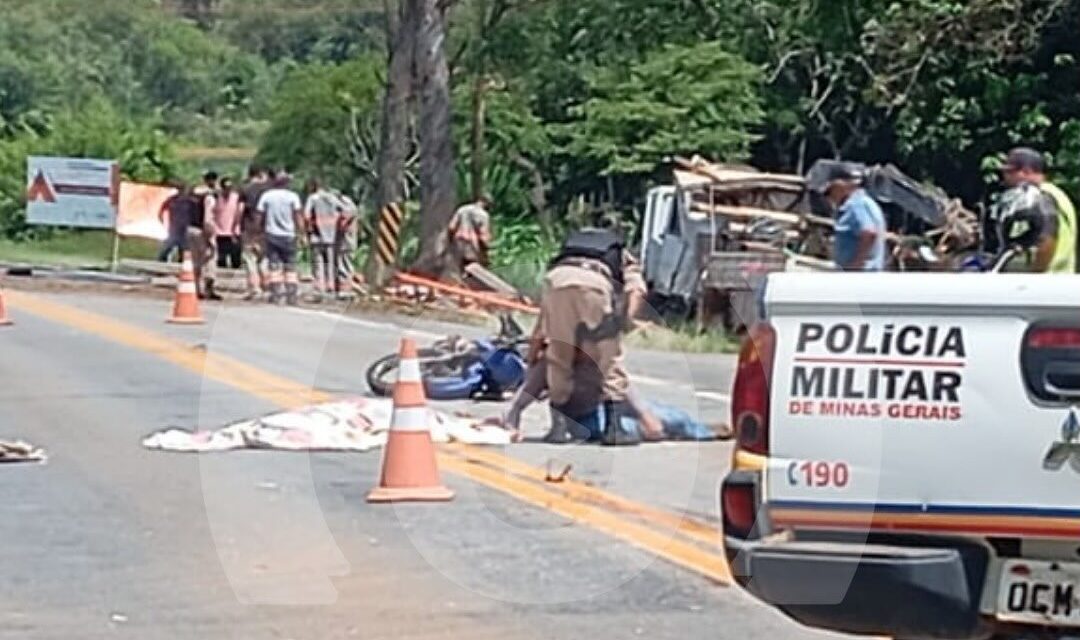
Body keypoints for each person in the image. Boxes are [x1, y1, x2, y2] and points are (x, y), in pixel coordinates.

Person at [537, 228, 649, 444]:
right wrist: (625, 321)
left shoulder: (571, 248)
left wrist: (537, 345)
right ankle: (614, 429)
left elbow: (544, 319)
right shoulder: (623, 256)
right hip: (595, 284)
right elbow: (636, 290)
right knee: (609, 359)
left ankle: (558, 429)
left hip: (556, 281)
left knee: (559, 355)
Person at [1000, 147, 1077, 274]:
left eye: (1009, 172)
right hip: (1063, 278)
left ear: (1026, 171)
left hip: (1045, 282)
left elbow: (1047, 240)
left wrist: (1033, 277)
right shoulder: (1057, 194)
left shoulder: (1039, 196)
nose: (1005, 178)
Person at [823, 163, 887, 272]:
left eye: (830, 191)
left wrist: (855, 267)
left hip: (859, 277)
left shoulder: (855, 205)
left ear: (841, 185)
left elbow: (869, 233)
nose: (830, 197)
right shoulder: (865, 202)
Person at [257, 174, 305, 306]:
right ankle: (292, 295)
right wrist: (302, 233)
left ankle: (276, 294)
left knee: (274, 265)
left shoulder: (267, 196)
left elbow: (260, 215)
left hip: (271, 234)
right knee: (291, 266)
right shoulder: (292, 196)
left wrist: (258, 233)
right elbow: (298, 216)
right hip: (289, 235)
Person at [303, 178, 343, 302]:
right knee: (331, 262)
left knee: (318, 262)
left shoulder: (313, 198)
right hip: (331, 235)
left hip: (317, 235)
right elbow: (344, 211)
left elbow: (306, 215)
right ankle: (331, 285)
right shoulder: (332, 198)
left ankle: (320, 287)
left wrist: (308, 229)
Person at [239, 167, 271, 300]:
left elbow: (240, 209)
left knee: (250, 260)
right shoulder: (269, 190)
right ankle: (267, 287)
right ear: (261, 174)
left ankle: (254, 289)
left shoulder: (245, 189)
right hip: (266, 229)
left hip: (249, 228)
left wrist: (236, 226)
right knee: (264, 259)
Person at [189, 171, 221, 300]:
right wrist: (209, 235)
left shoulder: (193, 194)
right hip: (203, 230)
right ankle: (209, 288)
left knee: (195, 261)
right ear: (213, 180)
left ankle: (196, 288)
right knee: (210, 258)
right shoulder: (209, 197)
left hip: (190, 228)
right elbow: (208, 218)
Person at [447, 196, 493, 276]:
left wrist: (450, 241)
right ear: (486, 203)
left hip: (458, 243)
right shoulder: (483, 215)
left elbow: (451, 227)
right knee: (473, 270)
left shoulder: (462, 209)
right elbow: (483, 236)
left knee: (459, 270)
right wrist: (486, 250)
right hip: (472, 245)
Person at [333, 190, 360, 300]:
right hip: (347, 242)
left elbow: (343, 223)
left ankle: (345, 290)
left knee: (344, 265)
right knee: (344, 264)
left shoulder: (348, 209)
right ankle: (344, 289)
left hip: (345, 242)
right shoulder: (351, 208)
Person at [157, 181, 193, 262]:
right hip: (174, 227)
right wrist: (161, 220)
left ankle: (183, 265)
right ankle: (161, 262)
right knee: (168, 246)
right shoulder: (172, 199)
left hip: (185, 228)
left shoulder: (190, 201)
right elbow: (162, 209)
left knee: (184, 249)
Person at [214, 176, 243, 270]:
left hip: (234, 232)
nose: (228, 190)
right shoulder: (216, 197)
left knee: (236, 260)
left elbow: (239, 212)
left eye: (229, 187)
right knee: (221, 259)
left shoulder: (237, 197)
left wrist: (236, 227)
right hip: (220, 232)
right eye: (225, 187)